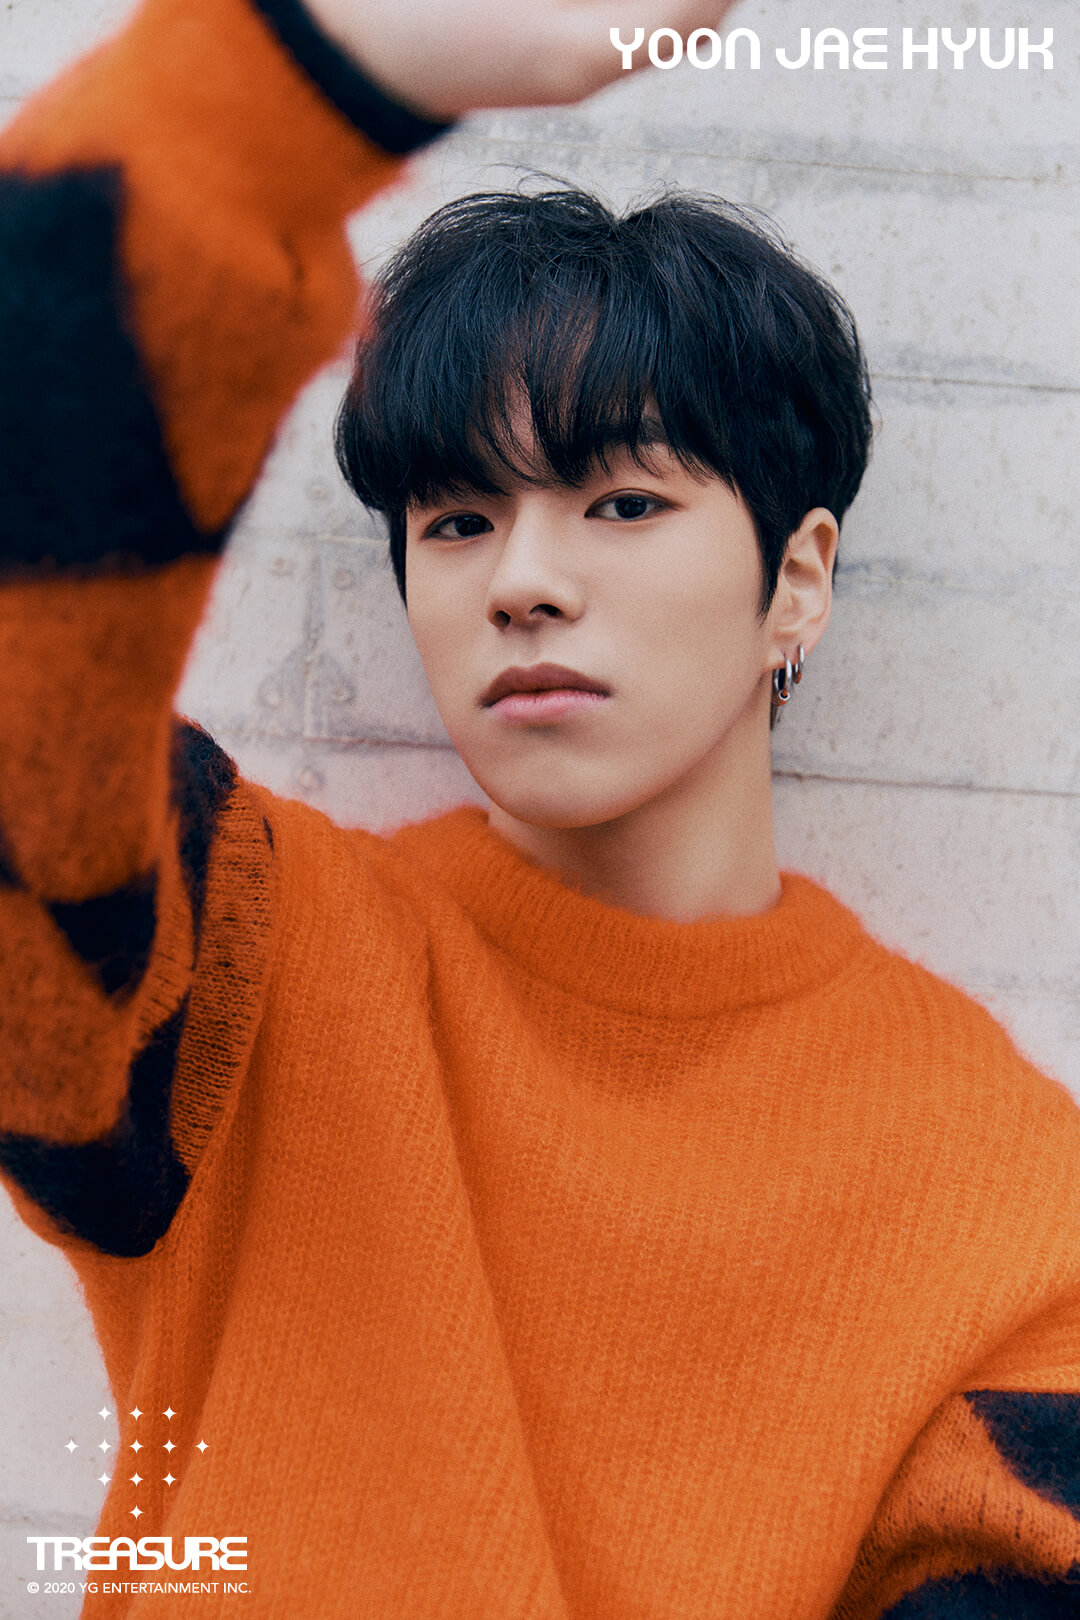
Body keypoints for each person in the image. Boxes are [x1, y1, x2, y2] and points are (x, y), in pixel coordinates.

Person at [0, 1, 1078, 1617]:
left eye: (623, 501)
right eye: (455, 521)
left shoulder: (1009, 1193)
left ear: (797, 580)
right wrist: (306, 64)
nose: (522, 580)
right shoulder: (239, 959)